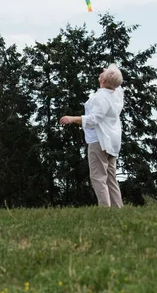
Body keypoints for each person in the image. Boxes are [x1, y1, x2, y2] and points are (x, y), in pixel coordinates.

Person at [60, 64, 124, 208]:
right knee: (111, 177)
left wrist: (73, 119)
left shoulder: (101, 97)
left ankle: (105, 209)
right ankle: (117, 208)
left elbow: (94, 119)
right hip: (113, 140)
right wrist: (109, 73)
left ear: (104, 81)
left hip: (99, 140)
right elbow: (116, 78)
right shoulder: (118, 93)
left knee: (98, 177)